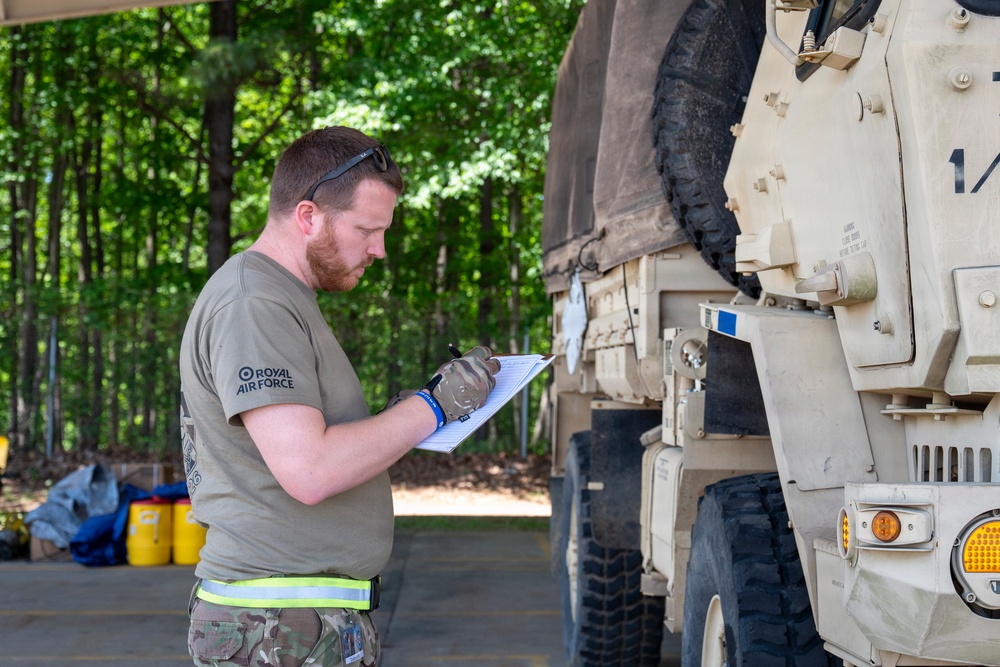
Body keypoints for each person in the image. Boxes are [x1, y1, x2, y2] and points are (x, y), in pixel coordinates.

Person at [178, 126, 500, 667]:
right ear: (308, 216)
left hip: (296, 624)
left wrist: (409, 411)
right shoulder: (253, 303)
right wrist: (436, 405)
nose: (379, 249)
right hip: (276, 629)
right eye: (367, 229)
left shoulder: (278, 296)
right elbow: (310, 469)